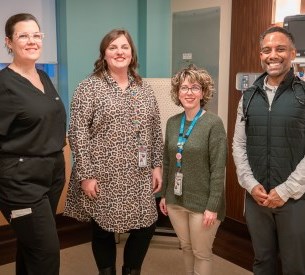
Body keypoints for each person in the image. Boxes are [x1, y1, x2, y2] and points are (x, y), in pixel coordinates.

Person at [64, 29, 163, 275]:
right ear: (104, 54)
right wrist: (86, 175)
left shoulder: (144, 88)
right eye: (113, 47)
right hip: (103, 173)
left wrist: (157, 165)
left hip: (138, 173)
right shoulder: (89, 87)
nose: (119, 52)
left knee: (146, 226)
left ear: (132, 53)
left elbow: (155, 129)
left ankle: (131, 270)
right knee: (103, 229)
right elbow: (77, 133)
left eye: (124, 47)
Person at [232, 26, 305, 275]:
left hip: (295, 199)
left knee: (295, 265)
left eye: (280, 49)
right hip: (258, 198)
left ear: (293, 53)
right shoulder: (249, 96)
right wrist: (250, 184)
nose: (272, 55)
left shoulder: (303, 95)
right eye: (266, 50)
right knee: (262, 262)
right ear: (260, 55)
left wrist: (286, 189)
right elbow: (238, 144)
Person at [0, 13, 66, 275]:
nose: (32, 41)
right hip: (21, 181)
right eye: (23, 35)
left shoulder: (43, 77)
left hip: (51, 175)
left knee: (31, 248)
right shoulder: (4, 85)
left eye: (36, 35)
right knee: (46, 255)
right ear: (9, 42)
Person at [159, 64, 227, 275]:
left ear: (203, 92)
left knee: (201, 252)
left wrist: (213, 206)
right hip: (176, 200)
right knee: (186, 248)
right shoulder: (172, 122)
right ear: (177, 93)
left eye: (195, 87)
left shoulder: (213, 123)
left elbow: (218, 168)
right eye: (184, 88)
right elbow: (168, 162)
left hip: (203, 204)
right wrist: (164, 195)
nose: (189, 93)